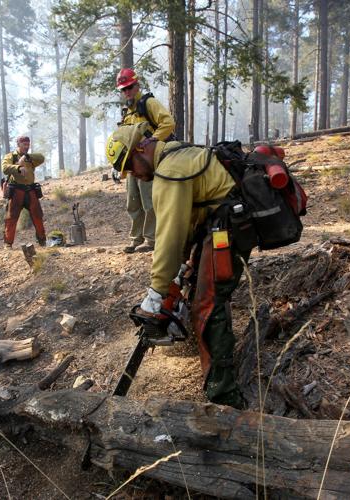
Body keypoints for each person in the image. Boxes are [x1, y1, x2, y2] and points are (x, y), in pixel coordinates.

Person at [105, 122, 250, 408]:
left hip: (228, 226)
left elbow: (168, 236)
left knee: (208, 305)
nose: (133, 174)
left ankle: (224, 399)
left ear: (141, 147)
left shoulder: (170, 171)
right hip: (222, 222)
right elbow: (188, 222)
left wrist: (156, 293)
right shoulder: (175, 153)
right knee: (200, 291)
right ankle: (212, 370)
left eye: (131, 165)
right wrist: (184, 267)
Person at [116, 68, 176, 254]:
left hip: (148, 162)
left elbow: (168, 123)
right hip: (133, 163)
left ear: (137, 85)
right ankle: (136, 238)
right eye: (123, 89)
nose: (127, 91)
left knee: (148, 200)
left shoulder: (148, 103)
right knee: (132, 201)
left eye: (130, 87)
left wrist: (153, 140)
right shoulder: (127, 111)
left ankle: (151, 239)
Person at [1, 136, 46, 248]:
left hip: (30, 190)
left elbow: (41, 158)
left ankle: (42, 241)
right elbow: (5, 168)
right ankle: (8, 244)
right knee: (11, 217)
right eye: (24, 144)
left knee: (38, 216)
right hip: (16, 191)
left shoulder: (30, 158)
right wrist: (18, 168)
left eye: (28, 144)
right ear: (18, 144)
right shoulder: (10, 156)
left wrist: (26, 156)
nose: (26, 146)